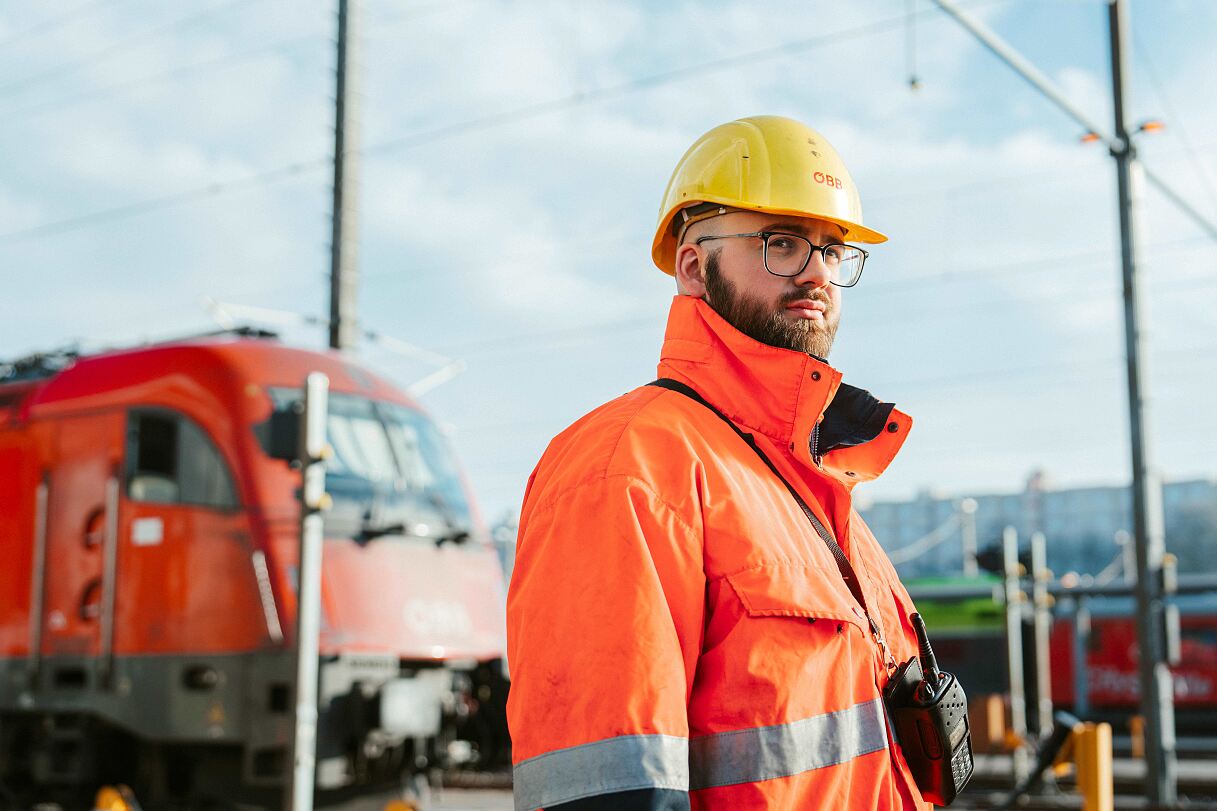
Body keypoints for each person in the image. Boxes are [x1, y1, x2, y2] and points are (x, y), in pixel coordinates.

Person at [507, 116, 932, 809]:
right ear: (693, 266)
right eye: (782, 243)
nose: (817, 272)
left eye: (832, 249)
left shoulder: (811, 486)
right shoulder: (628, 465)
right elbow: (607, 787)